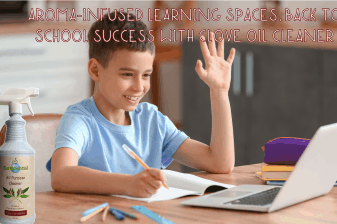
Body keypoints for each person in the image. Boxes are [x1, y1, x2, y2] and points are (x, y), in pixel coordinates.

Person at [46, 12, 236, 198]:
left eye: (146, 75)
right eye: (127, 74)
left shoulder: (151, 120)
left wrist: (219, 92)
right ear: (95, 70)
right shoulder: (80, 120)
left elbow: (219, 163)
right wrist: (128, 184)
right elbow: (61, 175)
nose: (139, 87)